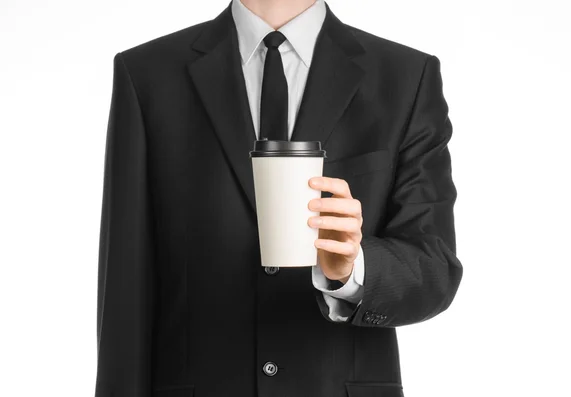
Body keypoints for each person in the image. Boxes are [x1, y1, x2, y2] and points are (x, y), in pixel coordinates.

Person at [94, 0, 464, 396]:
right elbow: (125, 287)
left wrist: (354, 269)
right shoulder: (148, 73)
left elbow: (434, 269)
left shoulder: (406, 77)